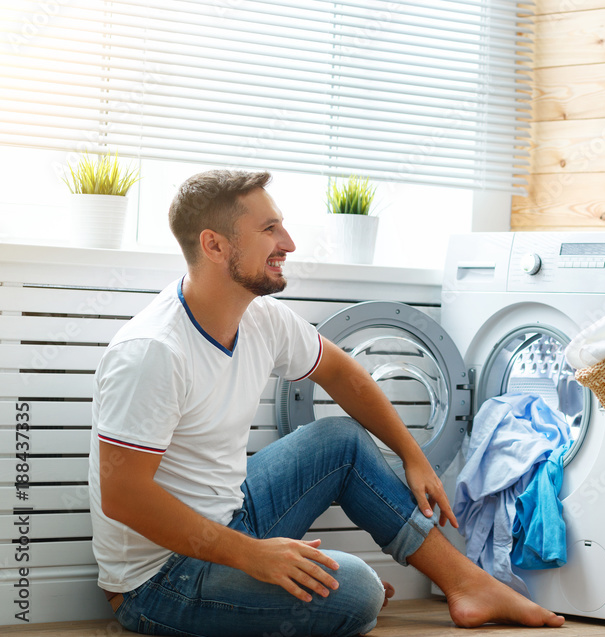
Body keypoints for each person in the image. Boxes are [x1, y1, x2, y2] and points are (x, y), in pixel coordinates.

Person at [87, 170, 565, 636]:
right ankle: (338, 589)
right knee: (356, 590)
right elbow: (124, 496)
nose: (289, 243)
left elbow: (341, 372)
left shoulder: (260, 318)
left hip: (231, 517)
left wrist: (412, 455)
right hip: (160, 580)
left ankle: (468, 584)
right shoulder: (153, 351)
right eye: (269, 229)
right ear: (214, 245)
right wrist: (254, 556)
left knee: (339, 439)